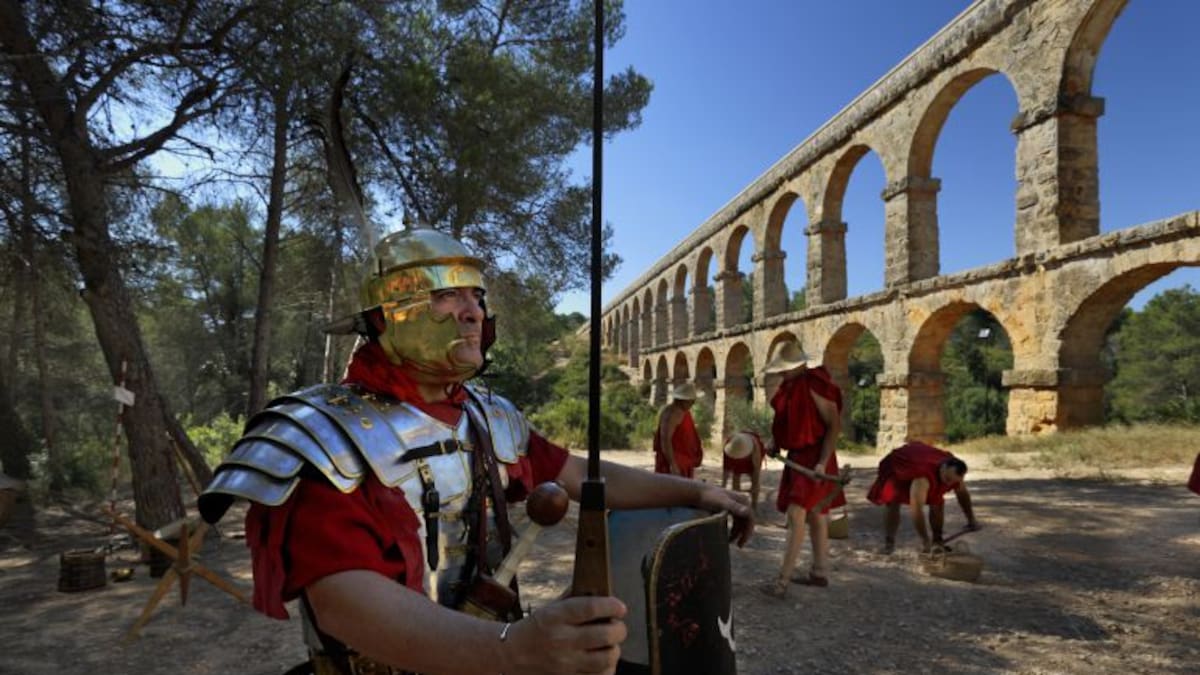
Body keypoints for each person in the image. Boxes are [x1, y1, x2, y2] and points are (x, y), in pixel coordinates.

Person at [197, 227, 753, 675]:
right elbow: (342, 598)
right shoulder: (325, 432)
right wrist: (512, 651)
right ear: (391, 313)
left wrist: (696, 490)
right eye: (445, 294)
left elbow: (576, 473)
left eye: (475, 296)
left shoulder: (488, 414)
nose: (472, 312)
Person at [760, 341, 845, 597]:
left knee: (796, 514)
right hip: (798, 458)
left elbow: (833, 426)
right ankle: (819, 572)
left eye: (785, 368)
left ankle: (782, 581)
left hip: (817, 458)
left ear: (800, 365)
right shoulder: (789, 387)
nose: (781, 372)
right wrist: (775, 442)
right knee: (816, 514)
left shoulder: (816, 386)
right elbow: (787, 424)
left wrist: (821, 462)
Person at [866, 440, 979, 554]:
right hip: (897, 466)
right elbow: (916, 510)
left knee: (937, 501)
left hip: (922, 459)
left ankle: (937, 541)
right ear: (943, 467)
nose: (948, 485)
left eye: (952, 482)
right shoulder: (922, 477)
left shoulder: (953, 471)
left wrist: (971, 520)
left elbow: (962, 494)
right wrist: (925, 540)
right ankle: (889, 543)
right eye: (947, 480)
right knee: (893, 501)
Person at [654, 382, 704, 477]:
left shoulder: (683, 412)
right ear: (683, 400)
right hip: (675, 461)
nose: (693, 403)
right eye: (691, 401)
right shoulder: (672, 414)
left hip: (684, 461)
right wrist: (673, 464)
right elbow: (665, 439)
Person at [722, 430, 764, 512]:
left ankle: (754, 506)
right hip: (739, 451)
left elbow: (756, 472)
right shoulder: (729, 446)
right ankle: (737, 504)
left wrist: (754, 487)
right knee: (736, 476)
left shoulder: (755, 447)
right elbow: (726, 468)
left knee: (754, 479)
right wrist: (723, 486)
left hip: (752, 455)